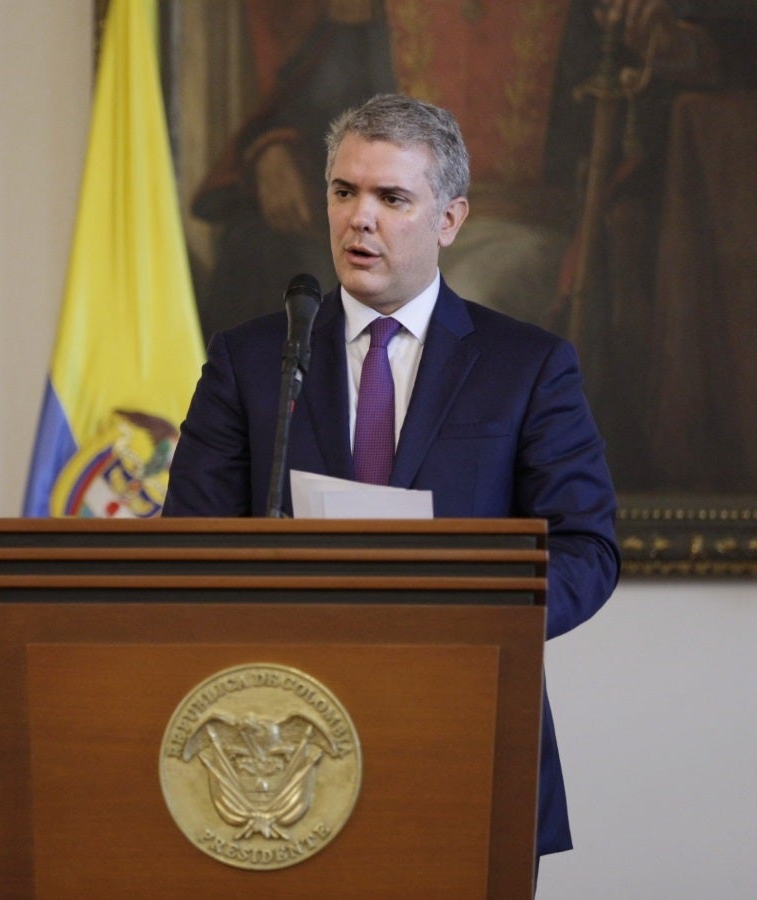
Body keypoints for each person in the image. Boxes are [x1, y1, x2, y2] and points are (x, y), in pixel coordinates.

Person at [162, 93, 622, 876]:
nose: (358, 218)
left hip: (464, 730)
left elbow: (588, 548)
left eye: (391, 197)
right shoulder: (250, 360)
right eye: (344, 192)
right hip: (280, 755)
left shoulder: (526, 366)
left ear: (449, 218)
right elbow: (187, 544)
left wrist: (482, 617)